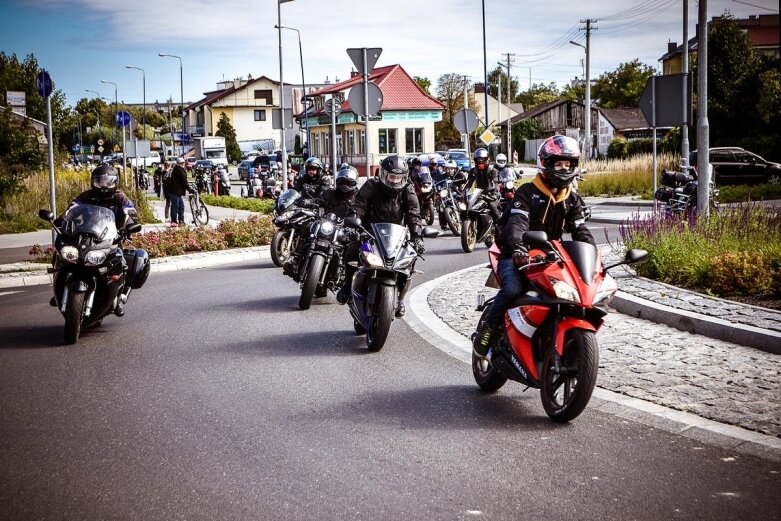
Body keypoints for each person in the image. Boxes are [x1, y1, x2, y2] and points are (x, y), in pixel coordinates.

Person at [473, 135, 595, 357]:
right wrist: (519, 248)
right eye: (558, 164)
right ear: (545, 164)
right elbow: (516, 225)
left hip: (548, 257)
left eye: (568, 164)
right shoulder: (527, 192)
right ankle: (487, 330)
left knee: (572, 295)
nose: (563, 169)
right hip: (514, 254)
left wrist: (594, 259)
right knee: (512, 289)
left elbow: (581, 231)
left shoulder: (572, 199)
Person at [336, 155, 423, 318]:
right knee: (352, 249)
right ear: (383, 174)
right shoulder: (371, 185)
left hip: (395, 236)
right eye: (391, 176)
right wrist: (354, 222)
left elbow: (414, 214)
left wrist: (417, 236)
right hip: (370, 232)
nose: (394, 181)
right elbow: (359, 205)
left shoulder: (408, 190)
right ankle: (348, 285)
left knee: (411, 255)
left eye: (398, 178)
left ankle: (400, 299)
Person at [70, 164, 138, 316]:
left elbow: (130, 212)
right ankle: (60, 286)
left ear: (114, 182)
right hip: (89, 235)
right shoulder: (87, 196)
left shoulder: (119, 197)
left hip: (112, 237)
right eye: (99, 181)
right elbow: (73, 207)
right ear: (93, 181)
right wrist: (64, 219)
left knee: (122, 262)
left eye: (107, 182)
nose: (103, 185)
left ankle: (120, 297)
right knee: (68, 257)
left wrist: (128, 225)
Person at [464, 147, 502, 221]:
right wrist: (464, 192)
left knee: (492, 205)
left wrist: (495, 193)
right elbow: (469, 183)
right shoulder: (473, 171)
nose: (480, 162)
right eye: (478, 160)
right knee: (466, 206)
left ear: (487, 159)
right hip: (478, 194)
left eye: (482, 159)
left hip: (491, 193)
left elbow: (496, 183)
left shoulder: (492, 170)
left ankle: (500, 223)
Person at [168, 157, 194, 226]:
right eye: (182, 163)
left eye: (183, 163)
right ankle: (174, 221)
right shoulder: (179, 170)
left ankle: (181, 220)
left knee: (180, 206)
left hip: (176, 191)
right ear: (178, 164)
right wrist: (189, 189)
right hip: (175, 191)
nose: (183, 164)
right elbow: (184, 181)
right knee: (176, 206)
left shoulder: (177, 169)